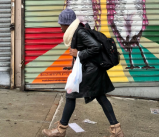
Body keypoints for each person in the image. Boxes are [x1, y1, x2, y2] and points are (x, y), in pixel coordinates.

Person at [42, 9, 124, 137]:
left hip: (90, 71)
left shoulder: (79, 32)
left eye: (61, 24)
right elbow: (84, 50)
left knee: (70, 94)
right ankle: (116, 129)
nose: (60, 27)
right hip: (92, 70)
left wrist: (79, 54)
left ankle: (61, 130)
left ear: (68, 24)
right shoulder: (76, 31)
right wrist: (73, 66)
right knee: (101, 97)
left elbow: (96, 46)